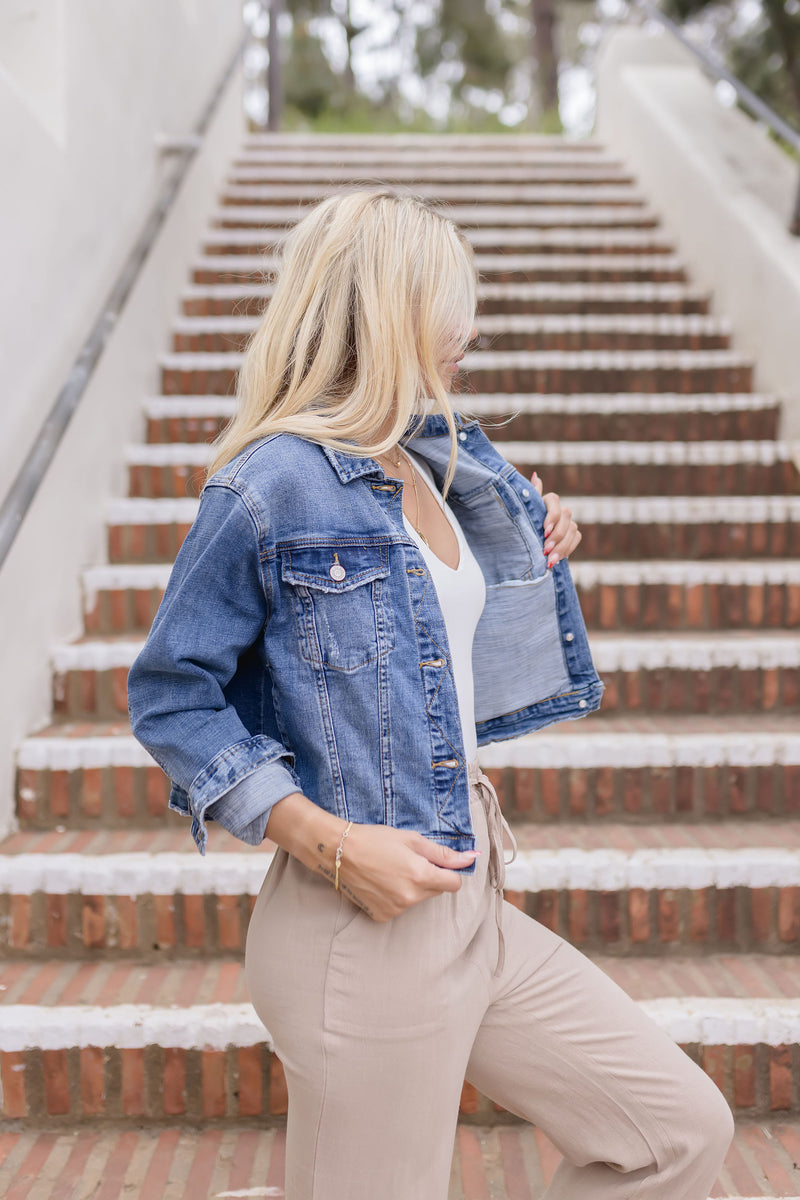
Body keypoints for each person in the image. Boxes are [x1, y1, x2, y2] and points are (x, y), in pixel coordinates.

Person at [127, 188, 735, 1200]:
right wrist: (329, 839)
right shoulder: (268, 484)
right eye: (451, 304)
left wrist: (533, 539)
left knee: (674, 1134)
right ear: (387, 309)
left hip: (471, 894)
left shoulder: (439, 459)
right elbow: (169, 694)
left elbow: (433, 641)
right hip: (355, 916)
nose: (471, 330)